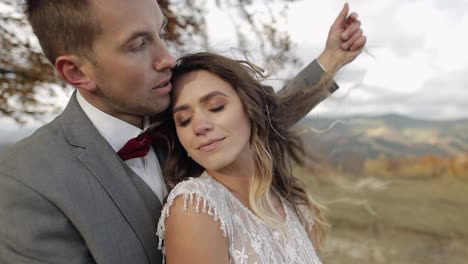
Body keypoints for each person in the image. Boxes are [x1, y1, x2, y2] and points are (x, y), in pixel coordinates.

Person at [0, 0, 365, 263]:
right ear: (77, 73)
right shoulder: (26, 179)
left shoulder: (177, 114)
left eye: (161, 33)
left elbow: (259, 115)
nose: (167, 59)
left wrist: (331, 60)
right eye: (139, 44)